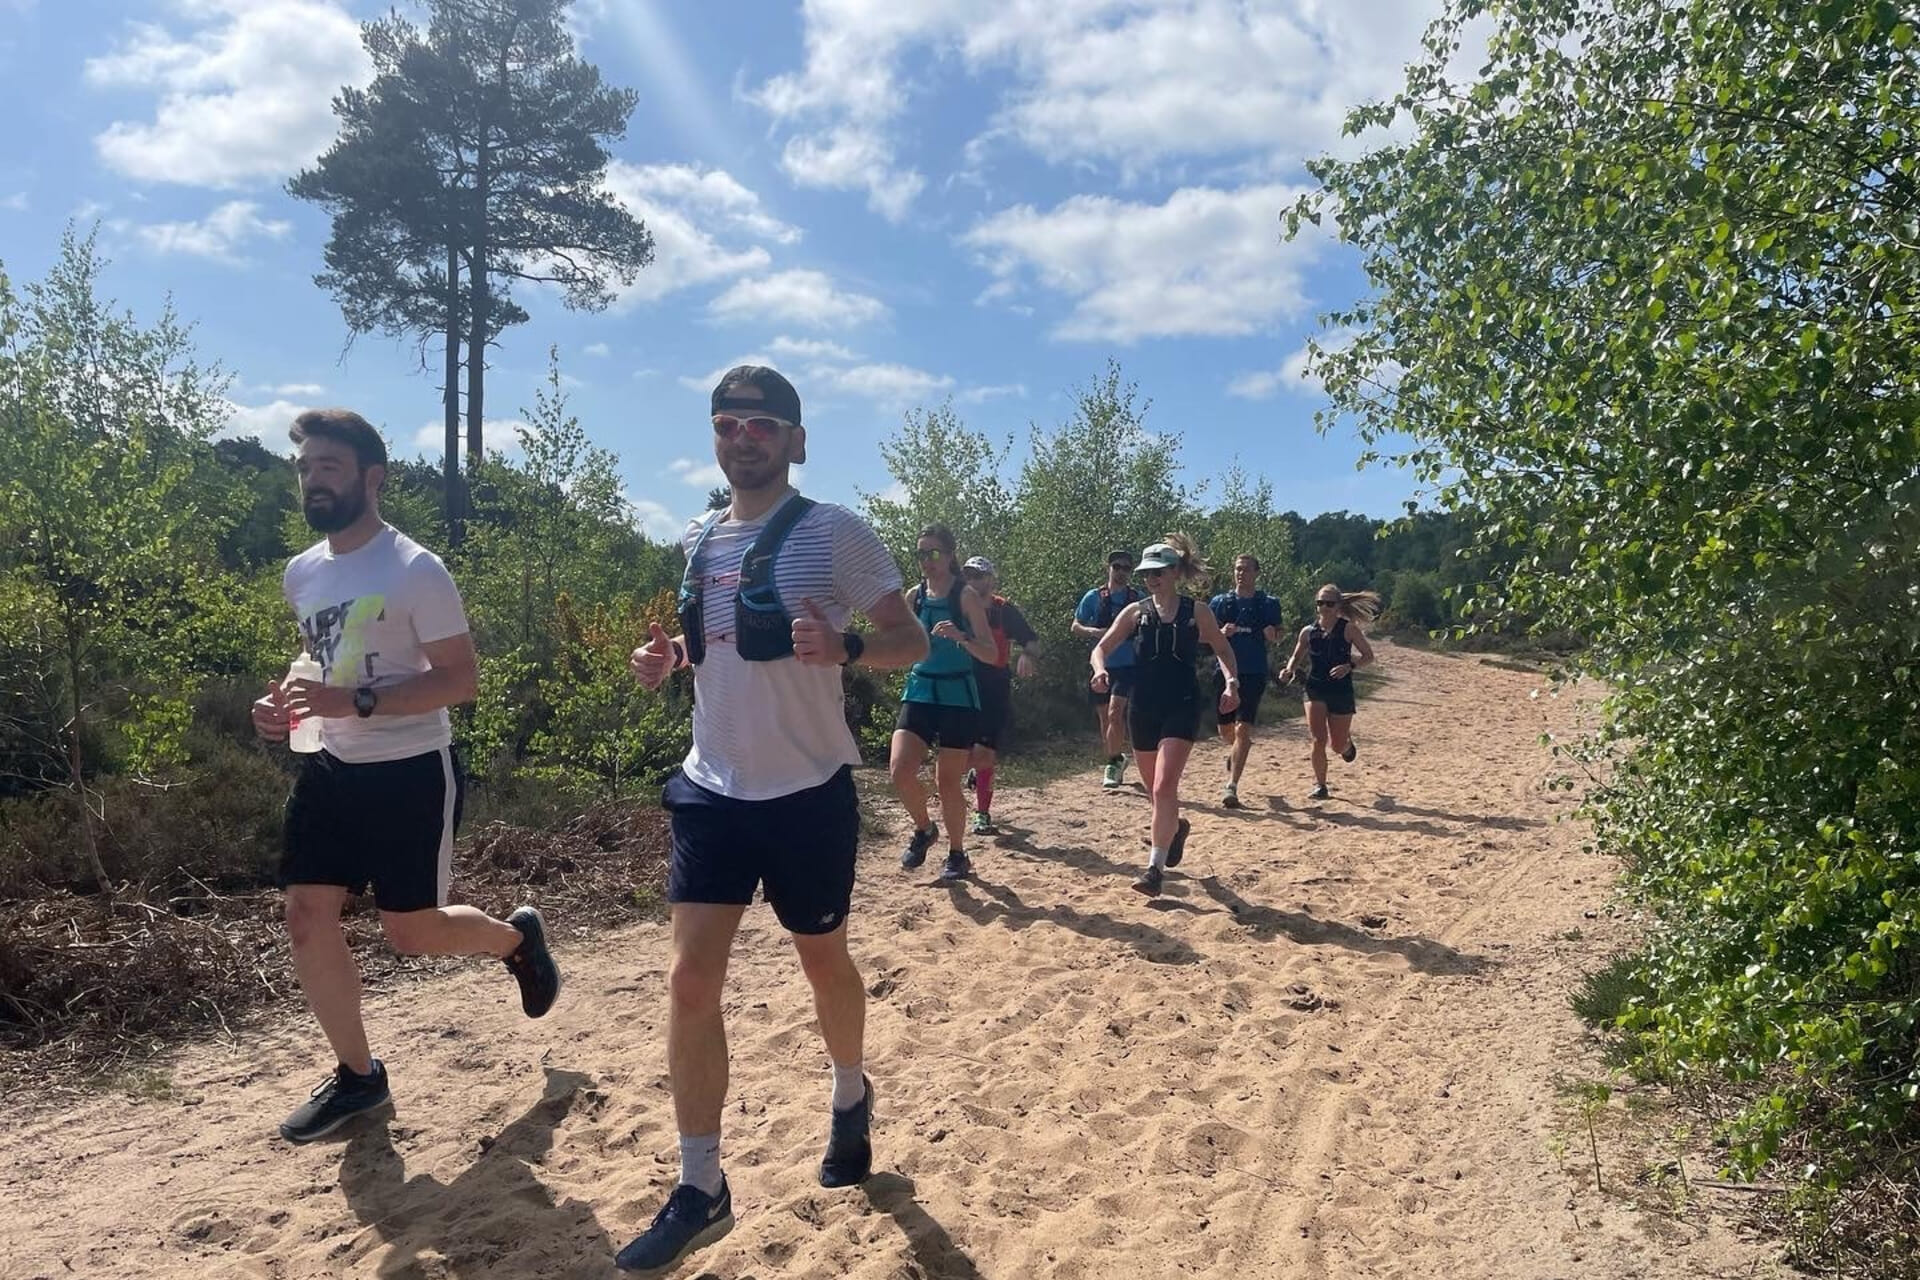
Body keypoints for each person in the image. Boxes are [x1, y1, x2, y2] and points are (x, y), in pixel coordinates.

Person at [619, 366, 928, 1275]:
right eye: (727, 423)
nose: (742, 438)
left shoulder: (834, 532)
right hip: (711, 787)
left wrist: (849, 645)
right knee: (689, 982)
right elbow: (713, 643)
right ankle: (701, 1184)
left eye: (761, 425)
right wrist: (668, 658)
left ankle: (849, 1092)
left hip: (806, 790)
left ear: (795, 440)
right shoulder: (697, 538)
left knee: (823, 963)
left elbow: (909, 638)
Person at [250, 409, 561, 1145]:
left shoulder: (416, 569)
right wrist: (281, 707)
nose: (313, 480)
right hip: (330, 766)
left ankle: (515, 942)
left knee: (411, 933)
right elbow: (321, 664)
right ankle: (359, 1076)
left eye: (328, 467)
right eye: (305, 468)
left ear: (372, 478)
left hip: (411, 770)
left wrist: (354, 701)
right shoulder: (302, 572)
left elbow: (460, 680)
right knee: (305, 914)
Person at [1091, 535, 1240, 896]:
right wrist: (1099, 670)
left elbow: (1223, 648)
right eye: (1146, 573)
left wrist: (1231, 682)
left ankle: (1154, 871)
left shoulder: (1197, 611)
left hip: (1182, 703)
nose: (1151, 578)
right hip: (1143, 706)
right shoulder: (1135, 612)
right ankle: (1176, 828)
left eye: (1158, 572)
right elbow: (1101, 647)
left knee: (1163, 786)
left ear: (1174, 572)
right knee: (1155, 793)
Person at [891, 526, 998, 882]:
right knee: (900, 770)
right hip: (920, 689)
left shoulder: (965, 596)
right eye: (921, 553)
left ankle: (957, 853)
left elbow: (991, 652)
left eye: (933, 553)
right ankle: (925, 829)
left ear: (950, 555)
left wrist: (961, 636)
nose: (927, 560)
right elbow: (901, 640)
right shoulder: (915, 596)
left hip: (957, 697)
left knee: (947, 781)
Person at [959, 557, 1040, 834]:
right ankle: (974, 774)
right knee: (961, 750)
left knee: (986, 751)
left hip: (993, 686)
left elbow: (1031, 640)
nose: (972, 580)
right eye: (968, 575)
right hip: (959, 684)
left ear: (990, 579)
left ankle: (982, 812)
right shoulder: (956, 606)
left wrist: (1027, 655)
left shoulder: (1004, 610)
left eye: (978, 576)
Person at [1278, 583, 1381, 800]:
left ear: (1338, 606)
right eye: (1320, 603)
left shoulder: (1349, 629)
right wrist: (1289, 670)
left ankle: (1347, 745)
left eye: (1329, 603)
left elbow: (1368, 656)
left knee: (1336, 745)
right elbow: (1296, 656)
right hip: (1315, 688)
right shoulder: (1308, 632)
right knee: (1318, 739)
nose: (1324, 607)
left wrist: (1349, 666)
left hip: (1341, 690)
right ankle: (1320, 785)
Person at [1208, 555, 1285, 808]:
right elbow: (1205, 635)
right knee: (1226, 731)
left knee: (1243, 729)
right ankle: (1237, 751)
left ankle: (1231, 786)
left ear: (1257, 573)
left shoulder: (1268, 604)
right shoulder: (1220, 603)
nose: (1241, 573)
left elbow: (1279, 634)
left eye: (1246, 569)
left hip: (1254, 671)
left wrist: (1273, 635)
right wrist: (1220, 633)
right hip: (1224, 671)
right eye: (1237, 569)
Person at [1072, 549, 1143, 789]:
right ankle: (1116, 758)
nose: (1121, 572)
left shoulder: (1137, 599)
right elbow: (1076, 626)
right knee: (1105, 717)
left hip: (1128, 664)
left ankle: (1112, 764)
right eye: (1117, 567)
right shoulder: (1094, 597)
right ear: (1108, 568)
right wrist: (1094, 632)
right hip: (1101, 665)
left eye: (1126, 568)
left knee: (1115, 712)